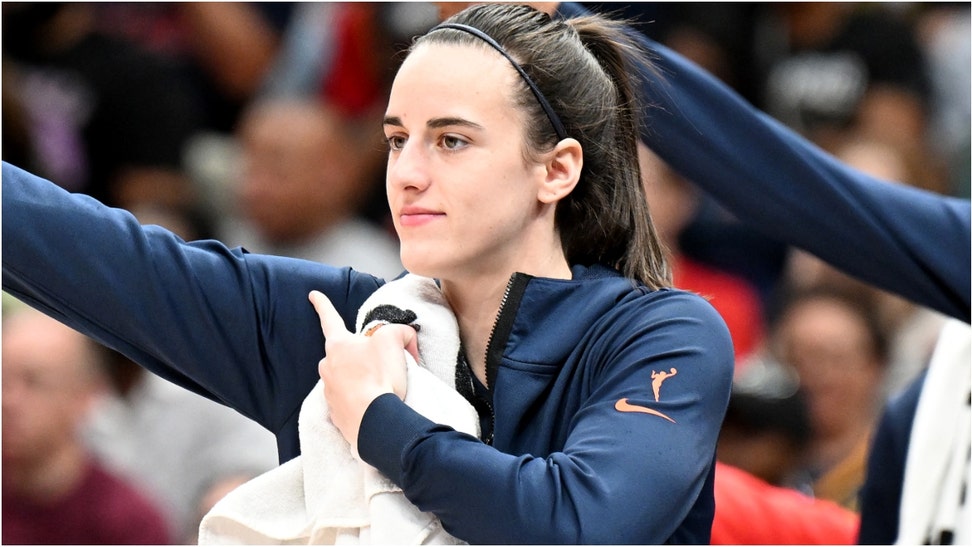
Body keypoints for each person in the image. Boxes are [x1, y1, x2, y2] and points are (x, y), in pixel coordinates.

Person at [1, 4, 734, 545]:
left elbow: (579, 522)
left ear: (556, 168)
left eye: (451, 140)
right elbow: (106, 262)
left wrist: (380, 421)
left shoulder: (664, 332)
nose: (408, 173)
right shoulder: (342, 321)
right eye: (396, 138)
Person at [2, 304, 172, 545]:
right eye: (3, 379)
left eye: (35, 382)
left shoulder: (127, 521)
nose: (8, 400)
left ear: (86, 396)